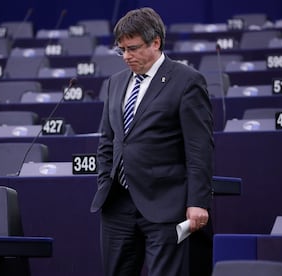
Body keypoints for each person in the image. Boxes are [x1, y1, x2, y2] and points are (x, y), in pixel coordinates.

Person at [90, 7, 214, 276]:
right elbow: (107, 141)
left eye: (132, 48)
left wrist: (198, 201)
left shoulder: (187, 81)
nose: (126, 56)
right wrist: (104, 180)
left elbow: (199, 147)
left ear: (155, 42)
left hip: (166, 205)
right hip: (118, 205)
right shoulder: (115, 82)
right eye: (121, 49)